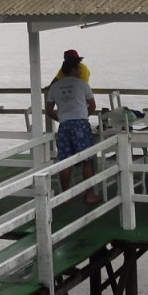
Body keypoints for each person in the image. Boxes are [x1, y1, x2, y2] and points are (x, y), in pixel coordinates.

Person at [46, 57, 100, 203]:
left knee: (65, 161)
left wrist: (61, 119)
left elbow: (49, 110)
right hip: (81, 125)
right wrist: (83, 117)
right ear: (74, 69)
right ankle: (89, 194)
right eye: (78, 68)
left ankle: (65, 196)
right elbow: (93, 106)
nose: (80, 71)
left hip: (64, 126)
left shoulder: (55, 87)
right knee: (87, 160)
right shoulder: (82, 84)